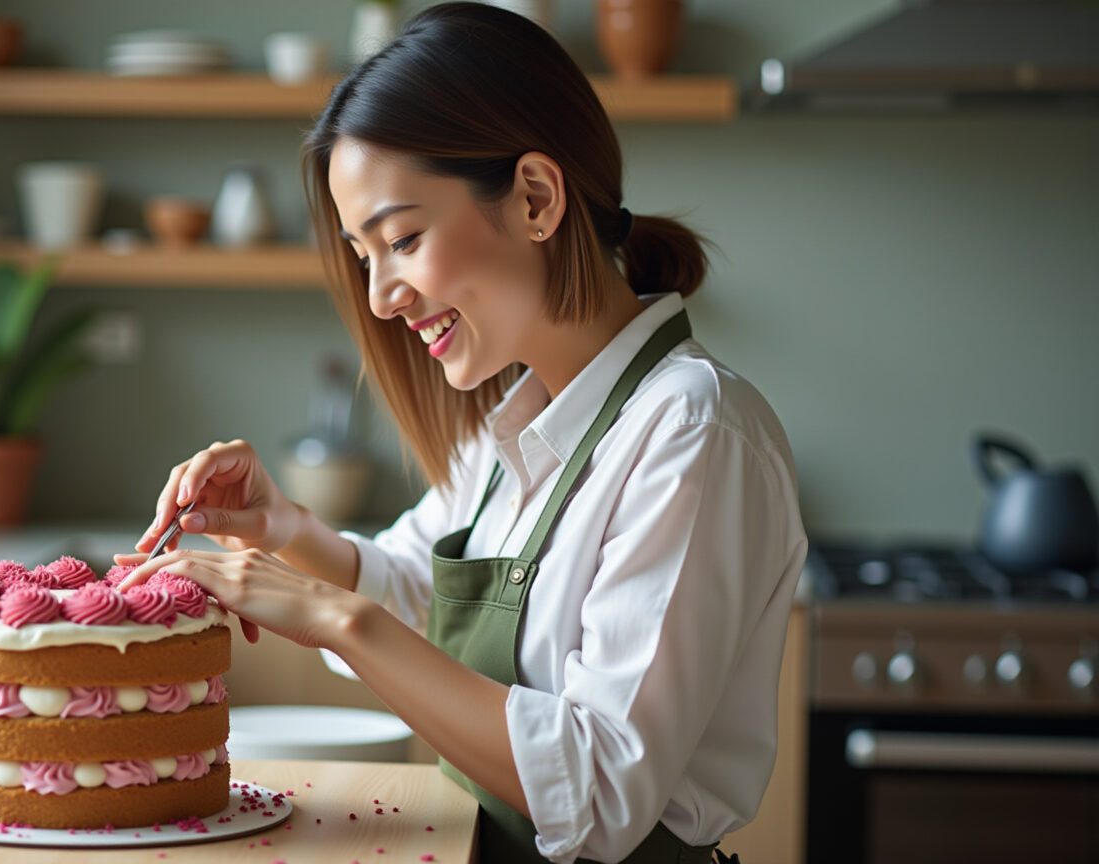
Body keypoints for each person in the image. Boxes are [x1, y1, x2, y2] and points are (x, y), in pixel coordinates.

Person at [117, 4, 806, 862]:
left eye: (402, 238)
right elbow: (417, 597)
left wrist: (332, 618)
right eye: (364, 255)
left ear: (535, 198)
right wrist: (289, 530)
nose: (379, 297)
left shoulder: (692, 433)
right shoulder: (511, 426)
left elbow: (601, 793)